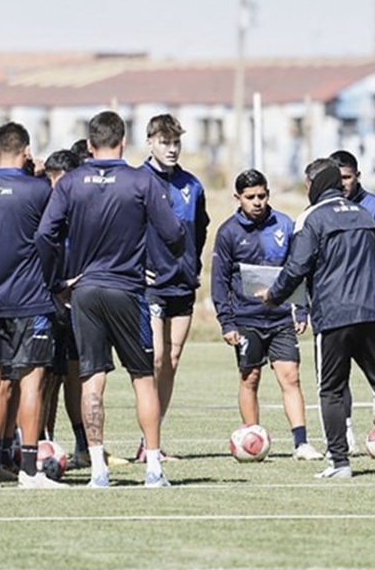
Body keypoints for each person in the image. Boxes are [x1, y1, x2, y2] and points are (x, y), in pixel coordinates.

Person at [35, 110, 184, 488]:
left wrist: (57, 280)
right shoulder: (140, 181)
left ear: (89, 145)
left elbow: (44, 235)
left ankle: (98, 468)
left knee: (91, 378)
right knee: (142, 377)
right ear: (123, 142)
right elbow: (173, 233)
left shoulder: (70, 183)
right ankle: (153, 467)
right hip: (127, 289)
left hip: (84, 291)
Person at [258, 158, 375, 479]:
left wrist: (273, 295)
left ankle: (339, 461)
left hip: (334, 316)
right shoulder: (364, 214)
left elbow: (297, 267)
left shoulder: (312, 218)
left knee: (331, 389)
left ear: (315, 185)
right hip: (372, 313)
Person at [0, 123, 62, 489]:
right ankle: (30, 471)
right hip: (30, 300)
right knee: (30, 383)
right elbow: (51, 237)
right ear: (26, 151)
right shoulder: (37, 190)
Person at [211, 169, 323, 461]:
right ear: (238, 198)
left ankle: (301, 443)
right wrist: (227, 321)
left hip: (281, 319)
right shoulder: (227, 232)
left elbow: (298, 271)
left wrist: (301, 310)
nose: (257, 202)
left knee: (291, 377)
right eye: (250, 197)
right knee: (250, 377)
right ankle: (252, 436)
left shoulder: (285, 225)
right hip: (246, 320)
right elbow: (219, 281)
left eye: (262, 195)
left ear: (268, 194)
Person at [141, 114, 209, 461]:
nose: (171, 149)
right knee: (154, 358)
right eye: (165, 142)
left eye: (176, 142)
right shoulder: (139, 181)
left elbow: (200, 231)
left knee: (173, 359)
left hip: (183, 284)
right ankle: (147, 439)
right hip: (151, 286)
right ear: (149, 142)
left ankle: (153, 438)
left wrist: (192, 265)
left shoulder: (192, 185)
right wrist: (137, 268)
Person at [329, 150, 375, 454]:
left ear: (358, 176)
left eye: (347, 177)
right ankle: (344, 434)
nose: (342, 183)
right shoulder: (321, 210)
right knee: (337, 375)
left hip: (369, 306)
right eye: (337, 178)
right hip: (334, 308)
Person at [38, 149, 101, 469]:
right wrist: (56, 283)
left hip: (79, 302)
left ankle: (83, 445)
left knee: (77, 374)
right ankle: (40, 442)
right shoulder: (38, 208)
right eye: (54, 182)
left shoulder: (86, 209)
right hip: (46, 299)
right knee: (45, 378)